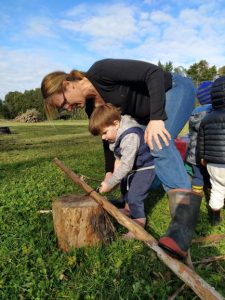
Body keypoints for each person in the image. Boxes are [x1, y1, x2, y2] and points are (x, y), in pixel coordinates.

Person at [41, 58, 197, 259]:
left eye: (64, 103)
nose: (69, 109)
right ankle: (131, 201)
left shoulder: (102, 71)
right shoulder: (90, 106)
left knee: (158, 141)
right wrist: (110, 173)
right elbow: (109, 139)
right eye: (64, 109)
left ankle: (181, 229)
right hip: (147, 113)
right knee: (133, 151)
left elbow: (154, 74)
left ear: (68, 85)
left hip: (174, 90)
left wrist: (157, 119)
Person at [89, 103, 156, 239]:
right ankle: (127, 209)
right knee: (125, 189)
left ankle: (138, 225)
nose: (103, 138)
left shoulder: (130, 135)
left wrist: (111, 183)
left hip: (146, 167)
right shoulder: (115, 135)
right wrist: (113, 179)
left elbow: (126, 165)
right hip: (133, 167)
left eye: (104, 132)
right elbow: (118, 160)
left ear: (116, 124)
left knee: (134, 196)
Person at [197, 76, 225, 226]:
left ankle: (215, 217)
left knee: (217, 188)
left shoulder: (207, 118)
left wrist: (202, 156)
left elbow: (201, 139)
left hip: (213, 163)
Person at [185, 81, 212, 196]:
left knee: (198, 176)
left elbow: (191, 133)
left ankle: (196, 195)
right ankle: (212, 193)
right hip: (212, 154)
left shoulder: (194, 113)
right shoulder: (214, 112)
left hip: (194, 154)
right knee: (213, 176)